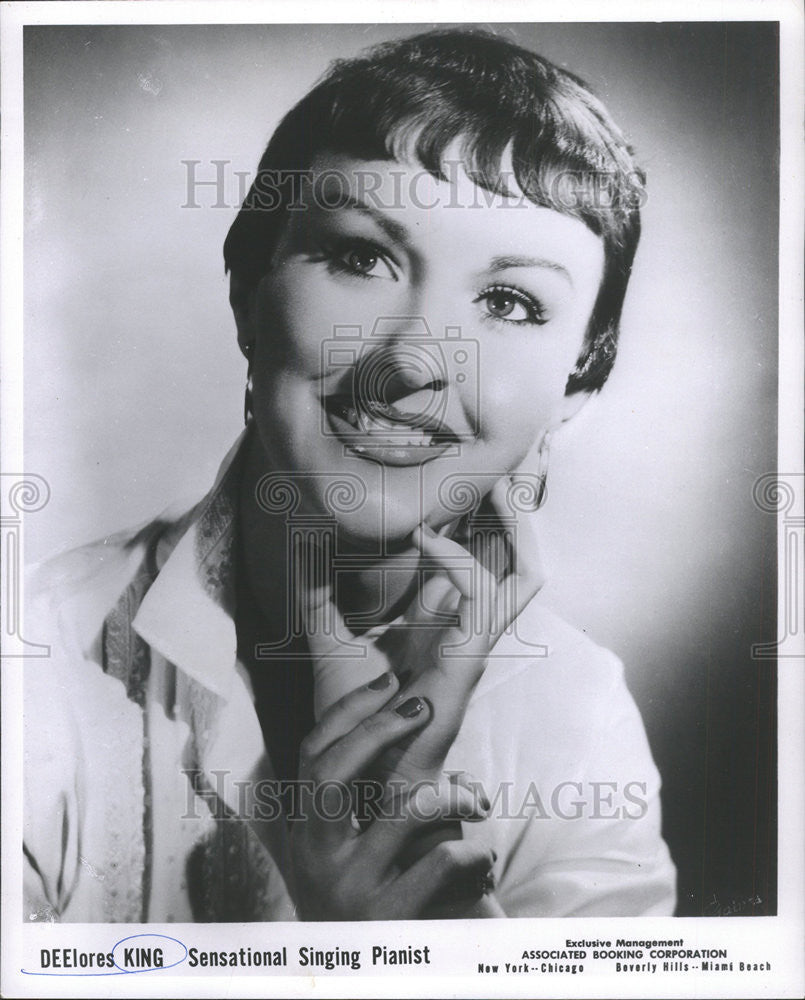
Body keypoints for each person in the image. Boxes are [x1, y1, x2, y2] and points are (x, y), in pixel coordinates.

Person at [23, 27, 676, 922]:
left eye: (508, 302)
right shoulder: (31, 654)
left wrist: (404, 942)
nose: (413, 362)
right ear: (249, 293)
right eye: (361, 257)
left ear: (576, 390)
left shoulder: (574, 711)